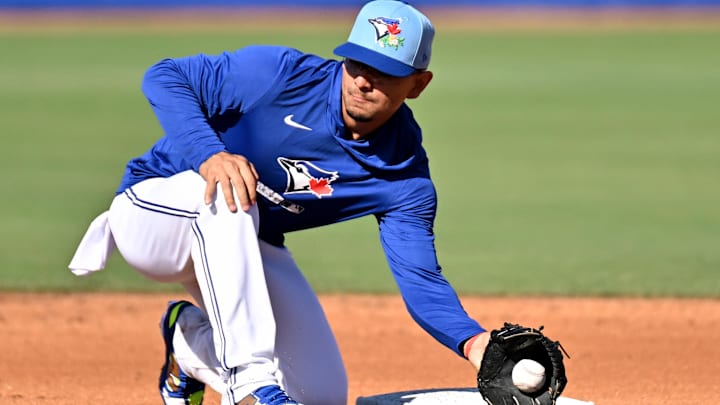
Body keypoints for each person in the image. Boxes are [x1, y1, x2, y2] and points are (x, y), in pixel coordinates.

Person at [69, 1, 491, 404]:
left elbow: (421, 280)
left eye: (384, 72)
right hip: (153, 215)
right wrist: (209, 154)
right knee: (234, 194)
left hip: (243, 240)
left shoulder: (402, 176)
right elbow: (164, 76)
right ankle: (251, 382)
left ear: (419, 84)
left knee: (319, 397)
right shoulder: (281, 75)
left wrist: (477, 344)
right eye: (358, 64)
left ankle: (190, 341)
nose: (364, 81)